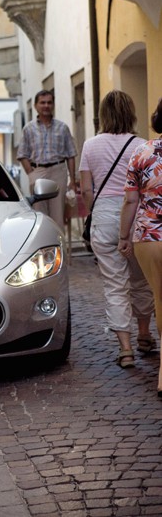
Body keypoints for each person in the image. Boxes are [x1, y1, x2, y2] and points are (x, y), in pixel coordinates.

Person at [80, 90, 154, 368]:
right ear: (131, 113)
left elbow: (86, 189)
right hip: (135, 214)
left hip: (104, 216)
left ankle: (125, 349)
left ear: (103, 115)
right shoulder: (142, 145)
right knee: (141, 279)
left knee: (115, 284)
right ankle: (145, 335)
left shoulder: (90, 145)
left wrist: (96, 210)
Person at [119, 98, 162, 396]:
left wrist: (123, 237)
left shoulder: (141, 152)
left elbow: (131, 200)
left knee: (160, 299)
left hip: (149, 238)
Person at [17, 90, 77, 230]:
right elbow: (22, 154)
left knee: (58, 214)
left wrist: (72, 180)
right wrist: (31, 174)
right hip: (38, 172)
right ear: (36, 105)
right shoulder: (28, 129)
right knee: (39, 213)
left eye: (49, 102)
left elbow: (71, 154)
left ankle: (58, 248)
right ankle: (43, 248)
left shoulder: (62, 128)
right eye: (42, 103)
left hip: (58, 171)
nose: (46, 106)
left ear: (53, 105)